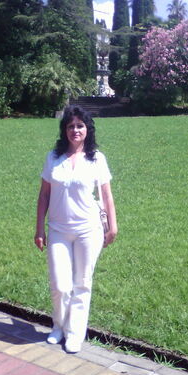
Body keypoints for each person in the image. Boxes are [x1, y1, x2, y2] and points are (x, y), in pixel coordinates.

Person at [34, 105, 117, 353]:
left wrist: (113, 226)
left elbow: (106, 195)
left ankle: (75, 333)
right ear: (64, 130)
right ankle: (59, 326)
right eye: (70, 126)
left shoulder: (96, 158)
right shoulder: (53, 157)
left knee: (82, 283)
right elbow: (44, 195)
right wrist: (39, 229)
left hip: (88, 230)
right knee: (60, 285)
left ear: (87, 129)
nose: (75, 130)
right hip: (58, 229)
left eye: (80, 125)